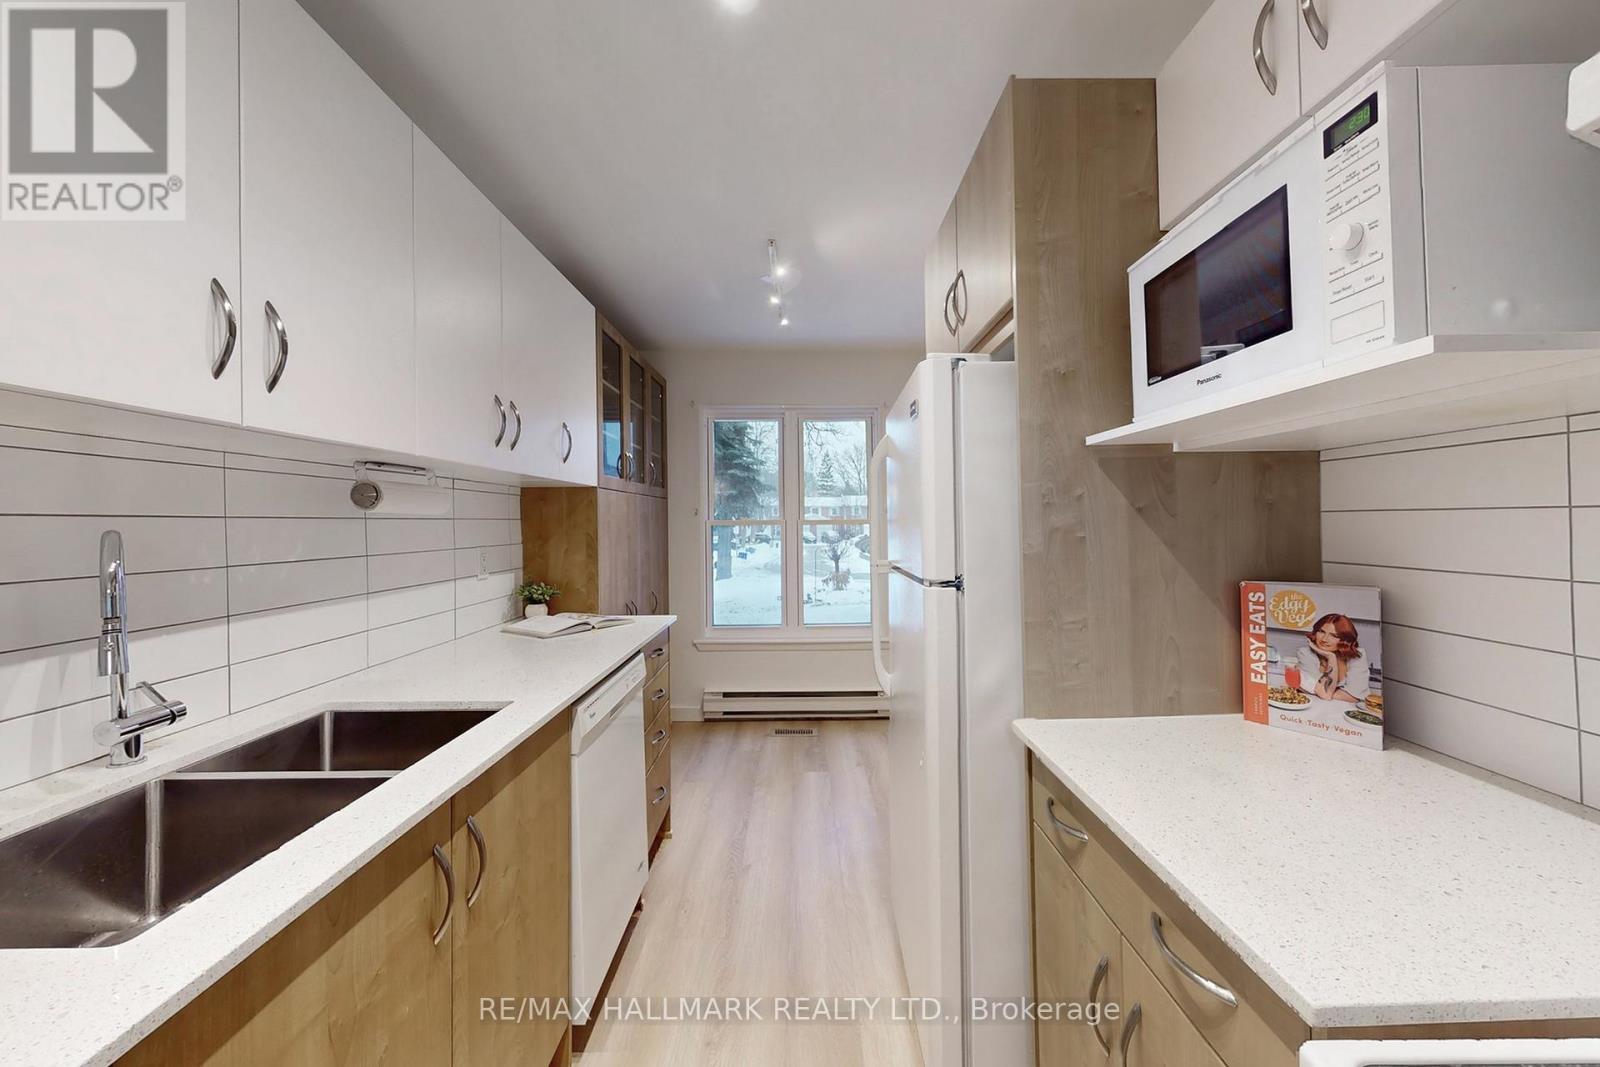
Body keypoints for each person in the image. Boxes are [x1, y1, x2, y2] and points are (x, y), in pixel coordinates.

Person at [1295, 613, 1370, 704]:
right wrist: (1331, 657)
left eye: (1334, 636)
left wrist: (1319, 692)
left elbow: (1354, 696)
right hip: (1315, 709)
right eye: (1321, 631)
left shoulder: (1358, 655)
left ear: (1345, 639)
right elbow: (1325, 693)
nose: (1325, 639)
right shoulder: (1306, 653)